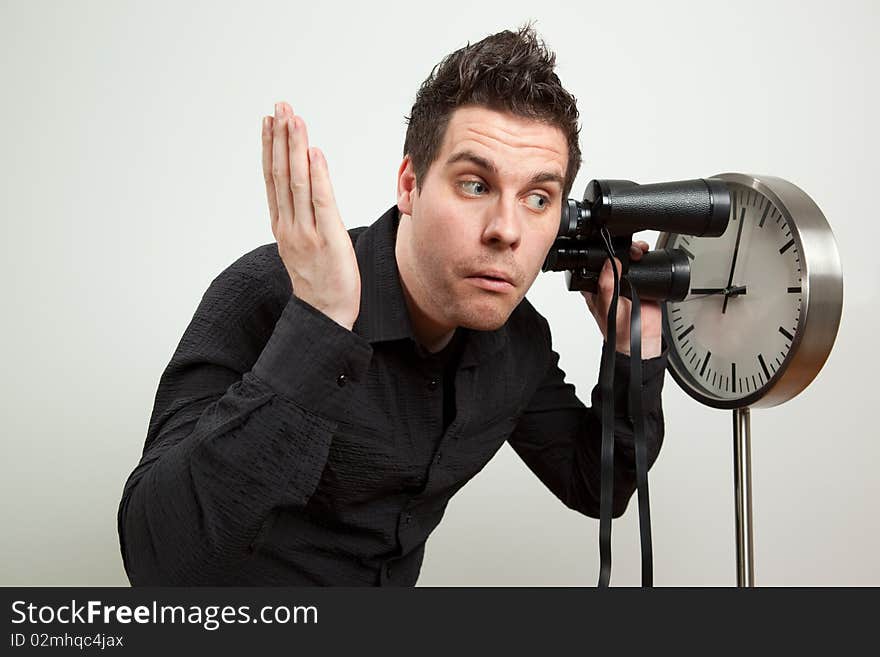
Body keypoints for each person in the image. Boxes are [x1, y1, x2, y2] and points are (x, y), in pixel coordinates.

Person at [117, 24, 667, 586]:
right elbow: (157, 560)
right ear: (410, 183)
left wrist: (633, 351)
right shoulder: (266, 292)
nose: (507, 230)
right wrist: (320, 327)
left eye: (537, 198)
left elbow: (597, 485)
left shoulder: (517, 341)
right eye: (476, 185)